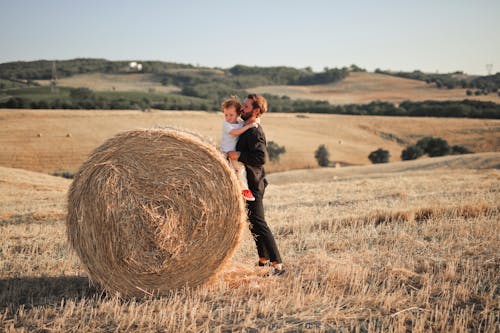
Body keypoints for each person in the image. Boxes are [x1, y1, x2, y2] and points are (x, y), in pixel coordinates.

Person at [227, 94, 285, 275]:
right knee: (253, 222)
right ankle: (263, 259)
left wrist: (238, 155)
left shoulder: (254, 131)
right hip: (247, 182)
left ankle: (278, 264)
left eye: (245, 106)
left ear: (256, 110)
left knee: (259, 223)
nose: (241, 109)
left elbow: (261, 158)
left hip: (253, 184)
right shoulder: (246, 128)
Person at [220, 96, 258, 201]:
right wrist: (249, 127)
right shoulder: (226, 125)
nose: (228, 117)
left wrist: (256, 120)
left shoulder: (240, 123)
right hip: (227, 152)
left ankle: (238, 190)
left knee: (236, 171)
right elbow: (235, 132)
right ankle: (244, 190)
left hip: (233, 153)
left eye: (231, 115)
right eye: (226, 115)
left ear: (238, 114)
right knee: (239, 169)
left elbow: (246, 123)